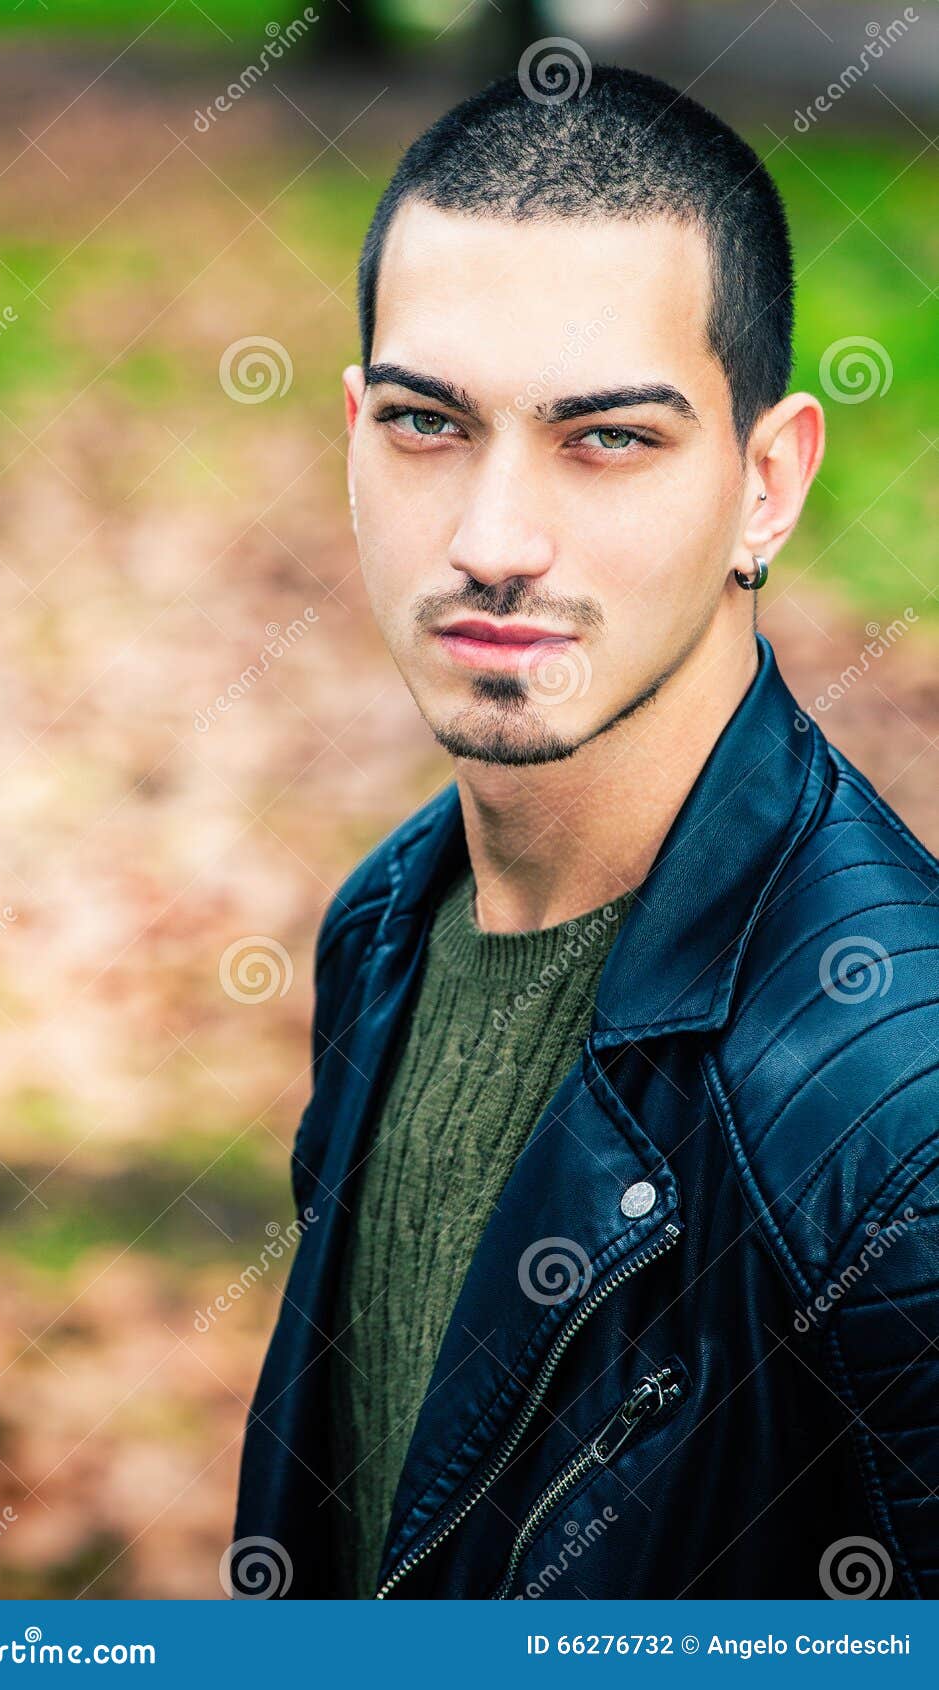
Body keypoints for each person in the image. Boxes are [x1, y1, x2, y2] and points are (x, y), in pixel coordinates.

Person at [230, 61, 939, 1601]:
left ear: (768, 484)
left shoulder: (896, 1119)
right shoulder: (386, 924)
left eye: (605, 438)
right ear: (352, 432)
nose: (492, 541)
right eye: (427, 424)